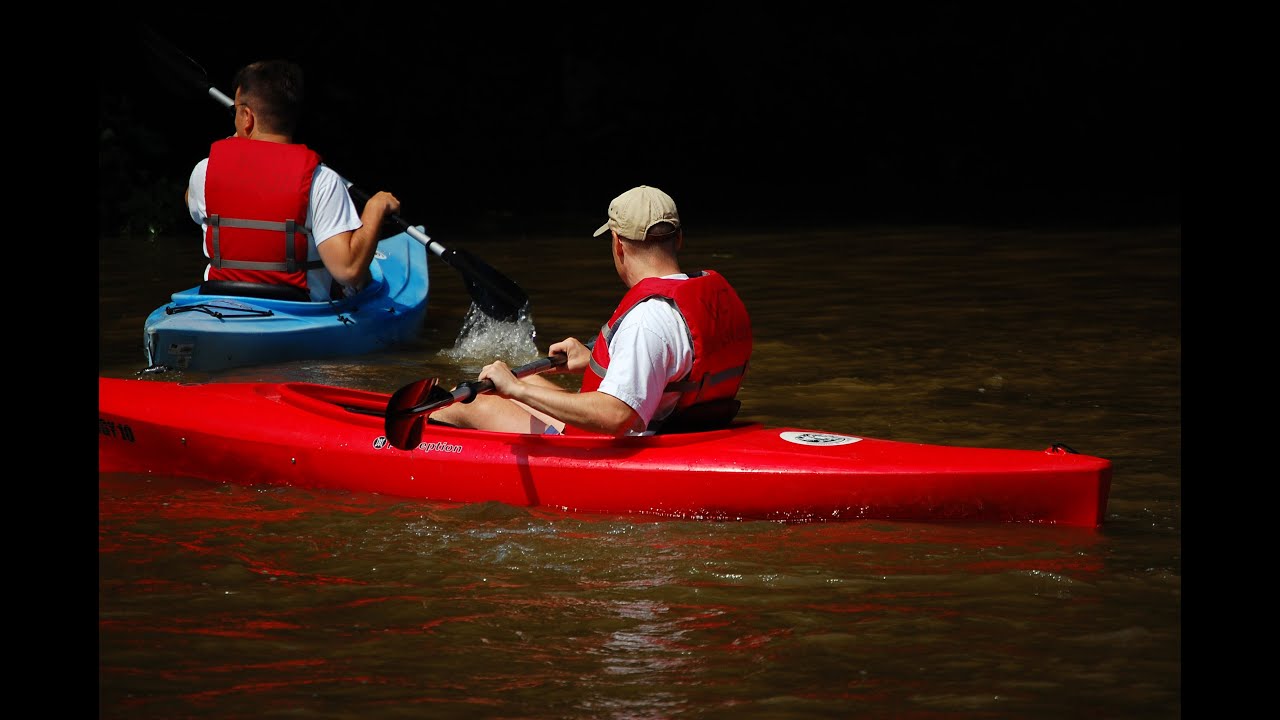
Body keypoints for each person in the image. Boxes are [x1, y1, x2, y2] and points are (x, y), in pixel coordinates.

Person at [431, 185, 753, 437]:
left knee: (466, 405)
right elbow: (678, 367)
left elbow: (614, 416)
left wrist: (517, 389)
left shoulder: (647, 319)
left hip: (620, 448)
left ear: (618, 244)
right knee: (525, 381)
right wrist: (595, 361)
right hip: (681, 431)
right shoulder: (703, 300)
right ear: (678, 238)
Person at [184, 59, 400, 302]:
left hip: (221, 301)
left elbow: (191, 199)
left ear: (247, 117)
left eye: (236, 112)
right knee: (362, 281)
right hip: (296, 307)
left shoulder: (204, 171)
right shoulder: (322, 181)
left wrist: (234, 146)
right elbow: (348, 271)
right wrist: (374, 209)